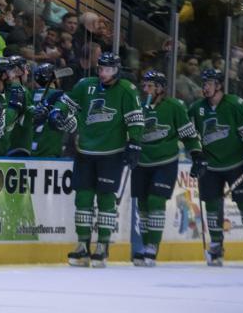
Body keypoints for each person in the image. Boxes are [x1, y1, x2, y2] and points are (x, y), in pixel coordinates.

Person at [65, 52, 144, 267]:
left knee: (106, 199)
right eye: (100, 69)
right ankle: (82, 245)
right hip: (85, 151)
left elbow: (135, 119)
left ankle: (102, 245)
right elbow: (67, 104)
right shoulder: (85, 86)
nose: (103, 73)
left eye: (108, 70)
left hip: (112, 153)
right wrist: (57, 114)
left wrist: (135, 142)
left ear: (117, 70)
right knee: (83, 198)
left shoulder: (127, 90)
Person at [187, 69, 243, 266]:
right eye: (203, 83)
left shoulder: (235, 104)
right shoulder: (197, 108)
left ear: (219, 85)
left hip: (236, 164)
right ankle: (216, 246)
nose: (205, 87)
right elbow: (189, 135)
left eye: (209, 83)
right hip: (210, 165)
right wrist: (196, 155)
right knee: (212, 206)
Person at [132, 71, 203, 267]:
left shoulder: (175, 107)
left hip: (165, 161)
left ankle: (152, 247)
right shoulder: (138, 106)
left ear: (160, 88)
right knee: (143, 204)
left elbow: (188, 133)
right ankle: (145, 245)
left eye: (149, 86)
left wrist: (196, 154)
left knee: (155, 200)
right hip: (141, 161)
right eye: (144, 85)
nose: (144, 89)